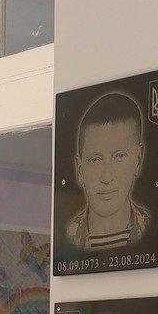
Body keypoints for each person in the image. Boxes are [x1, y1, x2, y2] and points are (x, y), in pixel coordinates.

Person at [64, 90, 152, 251]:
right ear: (80, 169)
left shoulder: (155, 230)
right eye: (95, 160)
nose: (106, 177)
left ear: (138, 160)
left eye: (119, 156)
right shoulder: (64, 238)